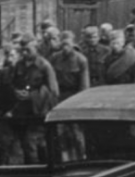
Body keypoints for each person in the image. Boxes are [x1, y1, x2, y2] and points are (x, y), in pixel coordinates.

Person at [10, 34, 59, 164]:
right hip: (22, 111)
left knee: (31, 141)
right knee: (26, 144)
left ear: (36, 48)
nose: (25, 53)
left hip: (38, 111)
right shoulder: (19, 65)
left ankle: (38, 170)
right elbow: (13, 83)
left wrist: (32, 96)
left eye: (28, 50)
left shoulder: (44, 66)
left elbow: (53, 91)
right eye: (23, 50)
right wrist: (16, 92)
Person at [49, 31, 90, 102]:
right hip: (58, 93)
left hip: (74, 94)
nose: (65, 48)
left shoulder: (81, 60)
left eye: (67, 45)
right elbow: (51, 78)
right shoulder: (55, 57)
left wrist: (81, 99)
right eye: (63, 44)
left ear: (73, 44)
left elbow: (84, 84)